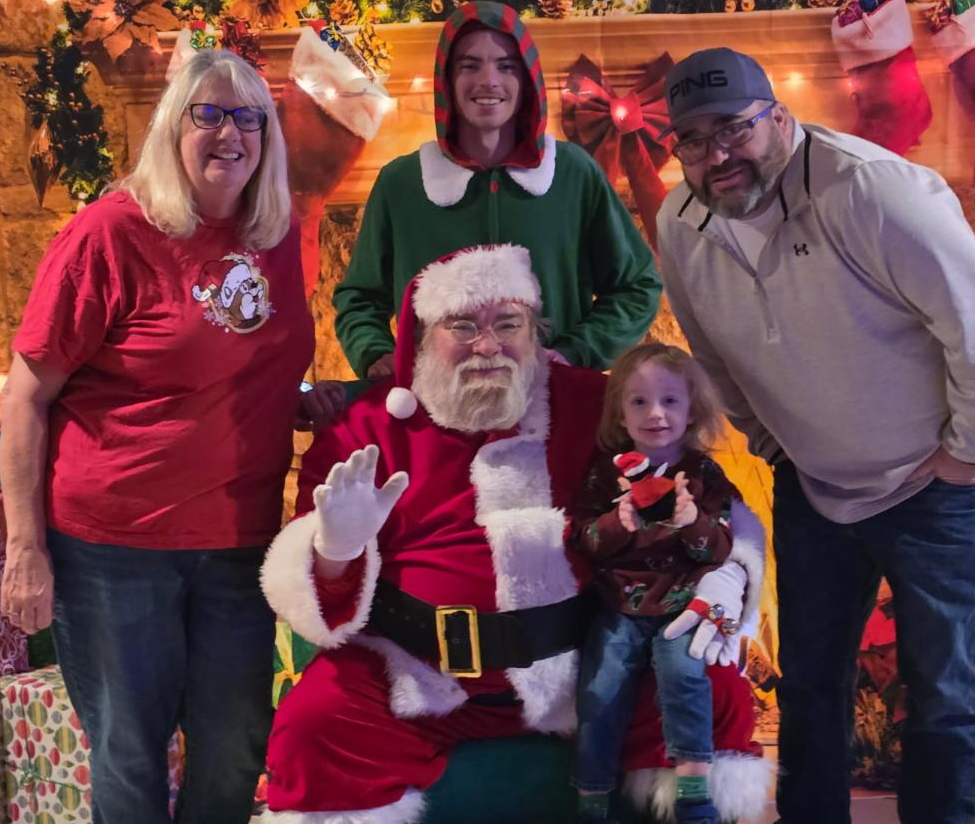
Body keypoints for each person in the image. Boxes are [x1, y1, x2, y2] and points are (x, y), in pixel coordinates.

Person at [259, 244, 772, 823]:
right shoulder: (367, 425)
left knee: (712, 690)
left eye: (508, 324)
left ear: (534, 332)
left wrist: (726, 575)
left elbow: (696, 482)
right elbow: (314, 595)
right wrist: (336, 552)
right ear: (425, 337)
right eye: (463, 326)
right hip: (415, 667)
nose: (488, 345)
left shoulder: (595, 401)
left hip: (585, 661)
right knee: (315, 722)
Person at [654, 47, 975, 824]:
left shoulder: (872, 190)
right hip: (816, 488)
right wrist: (770, 439)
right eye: (692, 138)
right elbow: (710, 351)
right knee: (812, 684)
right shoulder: (680, 223)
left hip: (934, 487)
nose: (716, 154)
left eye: (733, 129)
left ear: (780, 119)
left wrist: (971, 452)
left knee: (941, 692)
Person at [0, 49, 314, 824]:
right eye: (209, 113)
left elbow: (240, 361)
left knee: (237, 740)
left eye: (249, 117)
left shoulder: (273, 233)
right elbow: (25, 398)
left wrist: (310, 398)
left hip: (240, 541)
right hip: (115, 548)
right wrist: (24, 548)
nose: (229, 133)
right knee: (132, 755)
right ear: (173, 125)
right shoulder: (110, 233)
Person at [332, 0, 661, 379]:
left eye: (506, 66)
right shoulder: (400, 183)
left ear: (526, 81)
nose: (489, 80)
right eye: (470, 66)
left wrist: (576, 352)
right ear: (446, 80)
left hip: (552, 407)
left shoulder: (574, 174)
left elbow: (637, 286)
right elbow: (359, 298)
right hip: (434, 412)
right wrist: (374, 353)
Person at [571, 342, 765, 824]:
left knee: (685, 680)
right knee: (600, 687)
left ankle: (694, 792)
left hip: (683, 607)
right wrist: (619, 522)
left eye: (670, 400)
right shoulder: (604, 472)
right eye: (639, 401)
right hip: (619, 608)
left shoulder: (703, 472)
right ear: (619, 410)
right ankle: (593, 798)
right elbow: (587, 541)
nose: (655, 413)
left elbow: (720, 548)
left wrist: (693, 521)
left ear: (692, 407)